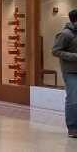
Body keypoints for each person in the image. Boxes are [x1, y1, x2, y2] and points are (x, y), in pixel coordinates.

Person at [52, 9, 77, 138]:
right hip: (71, 72)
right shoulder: (65, 34)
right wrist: (74, 56)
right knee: (73, 99)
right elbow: (55, 51)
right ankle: (73, 128)